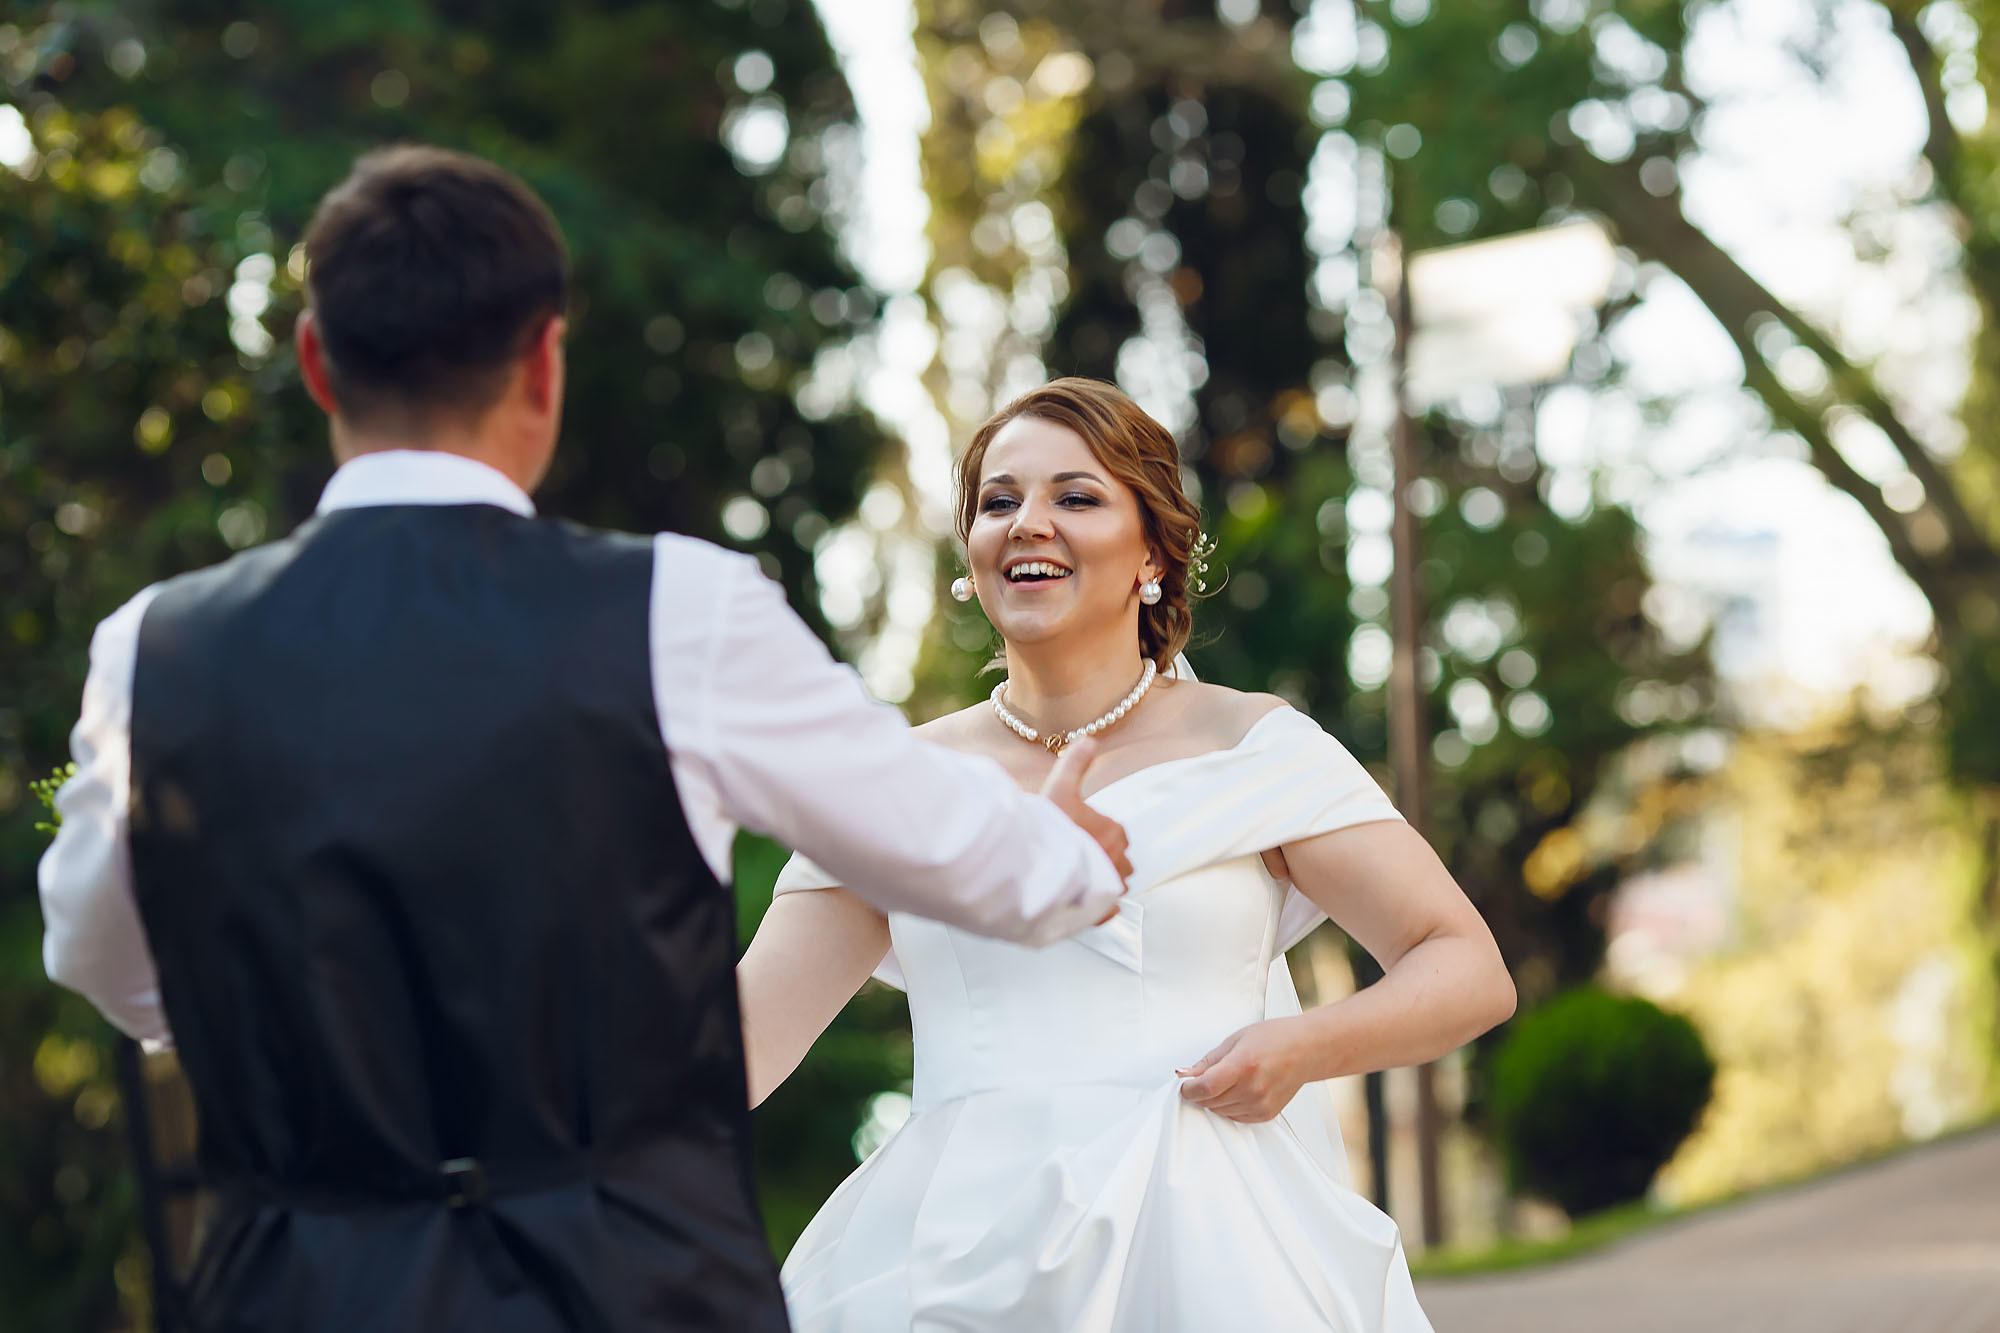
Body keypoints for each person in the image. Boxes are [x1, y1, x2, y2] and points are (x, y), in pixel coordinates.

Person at [36, 146, 1136, 1333]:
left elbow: (105, 960)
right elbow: (955, 850)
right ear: (544, 363)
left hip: (298, 1289)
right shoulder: (681, 612)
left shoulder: (156, 647)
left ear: (315, 361)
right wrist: (1068, 857)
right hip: (627, 1288)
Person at [738, 377, 1517, 1332]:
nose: (1029, 522)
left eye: (1076, 496)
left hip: (1207, 1240)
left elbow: (1466, 965)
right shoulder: (891, 783)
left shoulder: (1255, 748)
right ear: (971, 555)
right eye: (999, 501)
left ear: (1152, 551)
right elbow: (747, 1038)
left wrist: (1302, 1048)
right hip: (949, 1261)